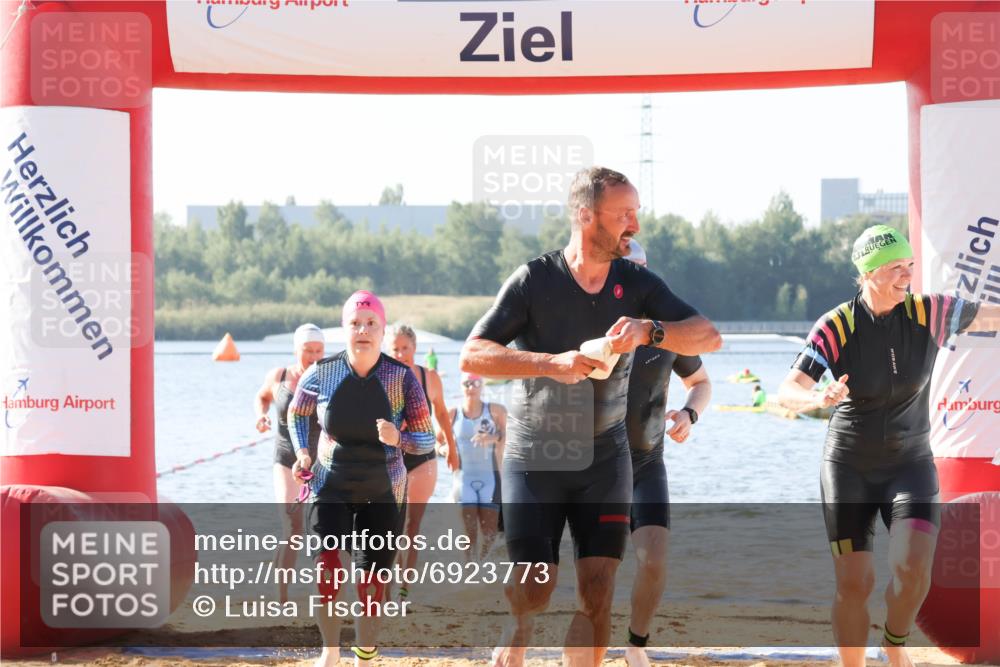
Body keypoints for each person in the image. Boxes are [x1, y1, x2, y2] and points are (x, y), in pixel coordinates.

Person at [460, 166, 721, 667]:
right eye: (624, 215)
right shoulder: (534, 280)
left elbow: (708, 335)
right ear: (585, 216)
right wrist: (550, 364)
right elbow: (472, 355)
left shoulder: (638, 282)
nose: (635, 226)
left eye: (636, 215)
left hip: (606, 458)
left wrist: (650, 331)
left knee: (598, 590)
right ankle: (519, 624)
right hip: (536, 457)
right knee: (536, 587)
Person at [777, 225, 1000, 667]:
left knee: (915, 568)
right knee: (855, 582)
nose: (907, 276)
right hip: (849, 466)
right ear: (868, 273)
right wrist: (817, 398)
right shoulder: (837, 324)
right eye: (897, 268)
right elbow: (787, 391)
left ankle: (894, 642)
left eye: (911, 266)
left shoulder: (930, 312)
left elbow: (991, 316)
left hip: (911, 462)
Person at [289, 291, 436, 667]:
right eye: (355, 324)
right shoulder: (323, 372)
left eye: (371, 324)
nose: (363, 330)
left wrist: (398, 438)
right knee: (326, 569)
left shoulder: (400, 377)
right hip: (329, 483)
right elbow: (296, 414)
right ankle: (330, 652)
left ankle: (365, 654)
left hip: (383, 488)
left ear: (382, 330)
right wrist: (303, 452)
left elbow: (425, 439)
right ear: (344, 329)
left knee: (370, 583)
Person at [620, 239, 713, 667]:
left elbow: (702, 383)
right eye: (626, 267)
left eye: (642, 268)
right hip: (590, 465)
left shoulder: (668, 331)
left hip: (645, 462)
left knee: (654, 560)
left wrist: (689, 415)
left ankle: (636, 645)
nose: (636, 276)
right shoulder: (590, 326)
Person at [386, 323, 460, 601]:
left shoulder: (429, 378)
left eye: (406, 348)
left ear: (415, 349)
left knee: (410, 526)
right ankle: (385, 582)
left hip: (422, 457)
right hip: (390, 458)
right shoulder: (380, 378)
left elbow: (441, 413)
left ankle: (404, 589)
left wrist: (452, 449)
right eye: (395, 349)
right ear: (387, 350)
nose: (401, 353)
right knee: (388, 523)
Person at [253, 323, 325, 603]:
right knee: (293, 527)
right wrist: (260, 416)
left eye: (319, 351)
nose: (314, 356)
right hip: (285, 457)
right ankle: (281, 598)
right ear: (297, 350)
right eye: (308, 351)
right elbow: (262, 396)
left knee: (322, 528)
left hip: (319, 460)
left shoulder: (328, 378)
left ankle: (324, 592)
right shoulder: (280, 376)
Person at [449, 372, 507, 562]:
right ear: (461, 386)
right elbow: (437, 443)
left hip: (490, 479)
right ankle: (468, 571)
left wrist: (494, 437)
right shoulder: (453, 414)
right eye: (467, 383)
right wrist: (447, 451)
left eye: (475, 383)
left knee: (489, 534)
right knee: (468, 534)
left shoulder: (496, 410)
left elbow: (514, 437)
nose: (471, 387)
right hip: (463, 479)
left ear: (482, 385)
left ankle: (483, 568)